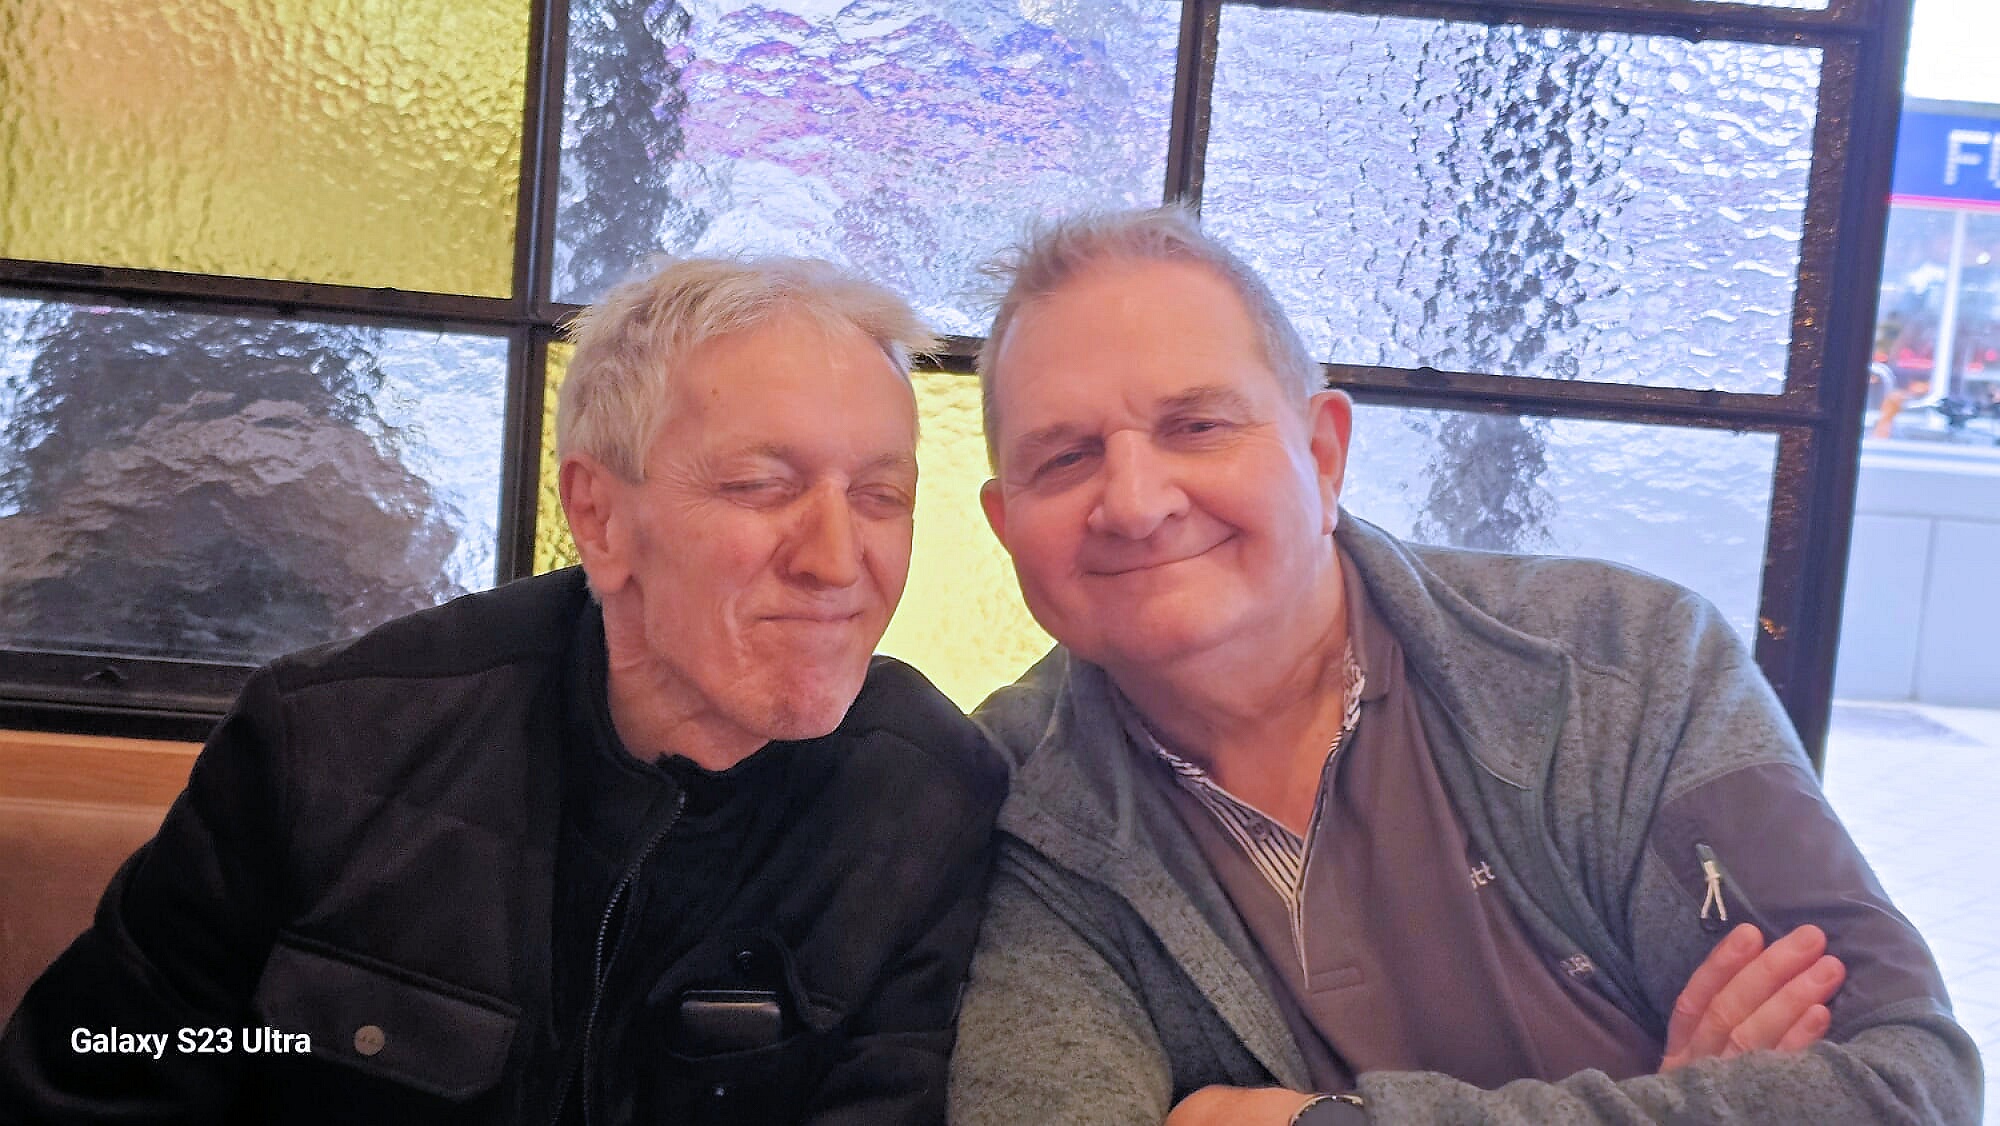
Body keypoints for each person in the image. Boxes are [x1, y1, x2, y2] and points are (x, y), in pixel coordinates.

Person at [947, 206, 1979, 1124]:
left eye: (1197, 426)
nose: (1134, 502)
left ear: (1322, 455)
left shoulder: (1627, 666)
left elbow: (1904, 1088)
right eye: (1065, 457)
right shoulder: (1002, 797)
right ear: (1004, 525)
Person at [0, 256, 1005, 1124]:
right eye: (760, 485)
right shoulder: (330, 750)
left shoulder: (922, 799)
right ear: (599, 518)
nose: (837, 558)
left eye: (881, 496)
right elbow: (99, 1075)